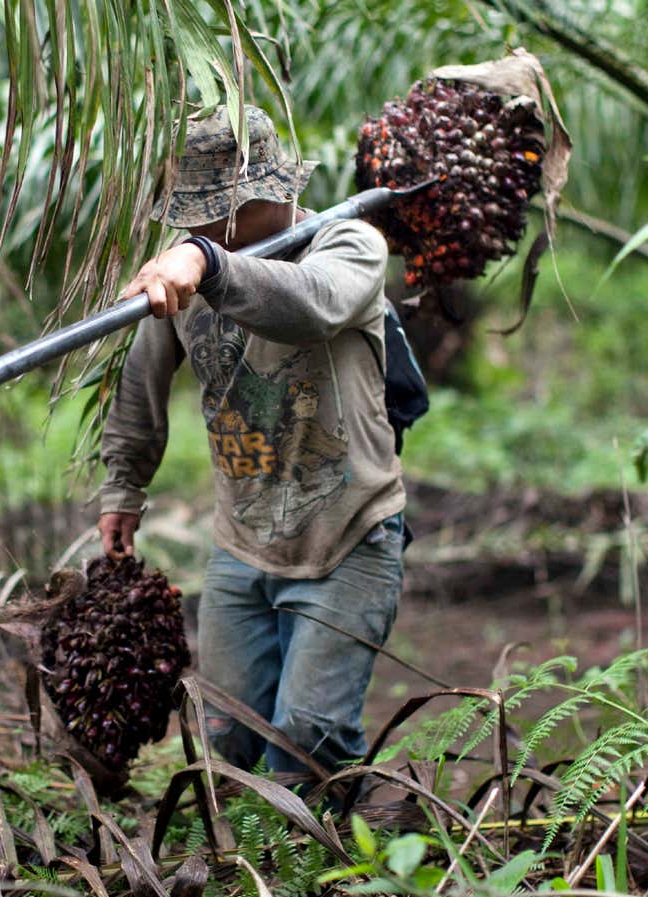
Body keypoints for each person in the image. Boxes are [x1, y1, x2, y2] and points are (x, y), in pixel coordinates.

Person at [96, 105, 405, 778]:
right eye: (194, 216)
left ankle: (335, 872)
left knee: (307, 738)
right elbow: (138, 383)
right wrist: (124, 485)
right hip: (242, 543)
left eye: (213, 214)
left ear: (266, 194)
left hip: (348, 535)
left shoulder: (349, 246)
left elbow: (312, 305)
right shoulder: (186, 270)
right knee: (230, 737)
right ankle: (251, 874)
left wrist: (206, 262)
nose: (199, 227)